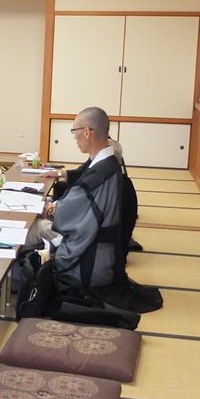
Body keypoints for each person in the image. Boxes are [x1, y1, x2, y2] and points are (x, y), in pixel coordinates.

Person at [41, 107, 124, 291]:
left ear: (87, 132)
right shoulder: (109, 163)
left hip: (91, 259)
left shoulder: (100, 173)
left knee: (34, 229)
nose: (74, 137)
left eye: (74, 131)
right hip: (104, 251)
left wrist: (50, 210)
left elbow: (66, 213)